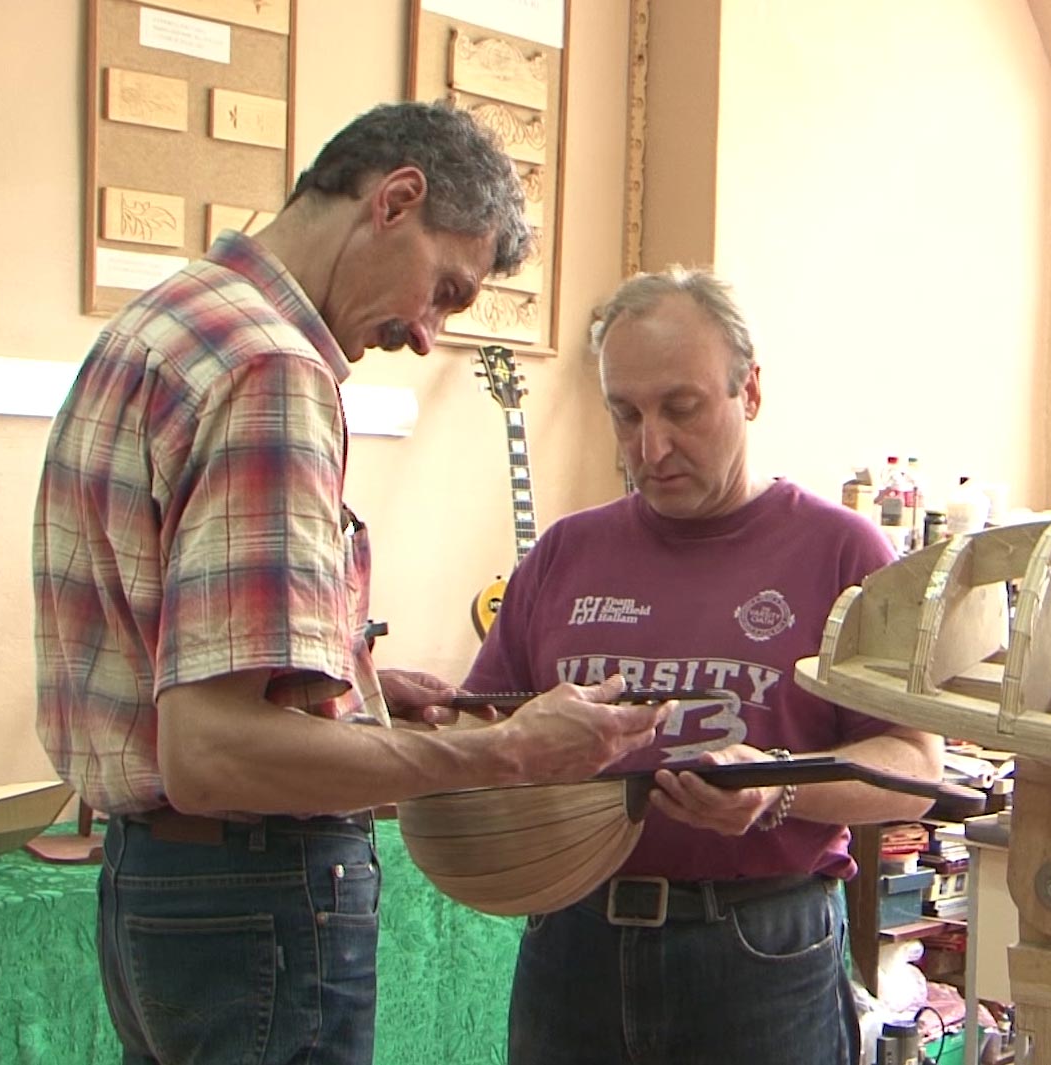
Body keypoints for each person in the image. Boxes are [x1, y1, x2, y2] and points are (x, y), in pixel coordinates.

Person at [33, 102, 667, 1065]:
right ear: (396, 199)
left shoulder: (164, 323)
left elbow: (177, 666)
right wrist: (506, 754)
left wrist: (360, 688)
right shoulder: (273, 371)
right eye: (445, 289)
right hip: (254, 897)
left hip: (159, 888)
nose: (426, 334)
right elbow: (214, 753)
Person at [464, 268, 945, 1065]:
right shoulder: (563, 553)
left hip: (761, 952)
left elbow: (914, 766)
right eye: (626, 413)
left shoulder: (845, 553)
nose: (650, 447)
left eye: (681, 409)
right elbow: (478, 728)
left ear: (749, 392)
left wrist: (778, 784)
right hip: (573, 945)